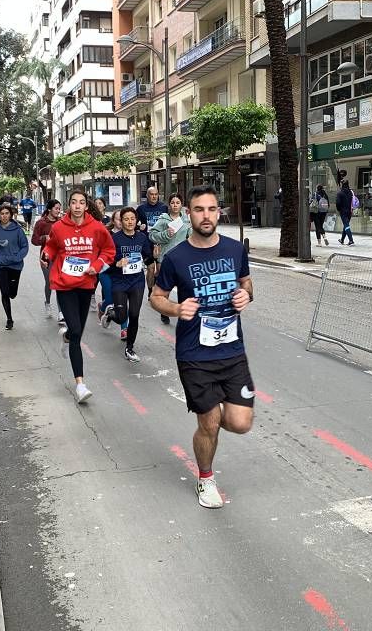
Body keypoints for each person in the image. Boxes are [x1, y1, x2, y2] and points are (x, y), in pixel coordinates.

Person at [149, 185, 255, 509]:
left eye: (211, 209)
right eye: (199, 209)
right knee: (209, 421)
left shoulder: (236, 250)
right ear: (188, 214)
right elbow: (156, 297)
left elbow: (246, 283)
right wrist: (177, 309)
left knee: (240, 423)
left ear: (218, 212)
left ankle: (212, 409)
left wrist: (246, 295)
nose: (206, 215)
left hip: (232, 350)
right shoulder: (176, 257)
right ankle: (205, 478)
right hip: (194, 354)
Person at [41, 190, 115, 404]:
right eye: (73, 202)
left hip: (86, 284)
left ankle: (67, 338)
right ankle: (80, 385)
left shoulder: (97, 228)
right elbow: (52, 246)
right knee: (75, 330)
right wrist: (47, 255)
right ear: (69, 205)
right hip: (64, 284)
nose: (77, 206)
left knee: (76, 332)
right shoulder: (58, 227)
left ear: (86, 206)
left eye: (81, 202)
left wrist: (96, 266)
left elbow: (109, 251)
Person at [103, 207, 155, 362]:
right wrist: (116, 263)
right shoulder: (115, 238)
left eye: (132, 218)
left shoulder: (141, 238)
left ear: (136, 220)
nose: (130, 222)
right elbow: (107, 259)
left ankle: (129, 348)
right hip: (119, 281)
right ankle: (111, 313)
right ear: (121, 221)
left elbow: (147, 257)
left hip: (136, 281)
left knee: (134, 315)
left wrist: (152, 259)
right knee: (121, 317)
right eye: (126, 219)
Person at [149, 193, 190, 325]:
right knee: (165, 288)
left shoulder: (186, 220)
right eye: (172, 202)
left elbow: (191, 236)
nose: (175, 205)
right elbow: (152, 235)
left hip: (183, 259)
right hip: (166, 258)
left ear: (181, 204)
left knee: (184, 287)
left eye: (178, 202)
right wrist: (166, 234)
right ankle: (164, 311)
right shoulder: (163, 219)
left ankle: (184, 312)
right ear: (169, 204)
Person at [136, 186, 167, 317]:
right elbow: (135, 223)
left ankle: (156, 286)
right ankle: (150, 291)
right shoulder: (141, 209)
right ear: (147, 196)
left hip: (160, 243)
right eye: (151, 194)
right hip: (146, 244)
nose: (154, 196)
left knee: (159, 270)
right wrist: (139, 226)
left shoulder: (164, 208)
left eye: (156, 194)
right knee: (150, 268)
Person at [32, 199, 63, 321]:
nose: (58, 211)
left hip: (60, 257)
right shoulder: (41, 223)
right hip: (46, 257)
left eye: (59, 208)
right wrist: (44, 238)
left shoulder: (61, 222)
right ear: (49, 209)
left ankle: (61, 312)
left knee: (60, 284)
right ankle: (48, 302)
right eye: (56, 208)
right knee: (50, 282)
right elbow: (34, 240)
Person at [336, 180, 356, 246]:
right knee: (346, 224)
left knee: (346, 225)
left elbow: (338, 203)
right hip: (350, 211)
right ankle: (342, 239)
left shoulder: (340, 193)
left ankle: (351, 240)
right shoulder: (351, 192)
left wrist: (339, 209)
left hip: (343, 211)